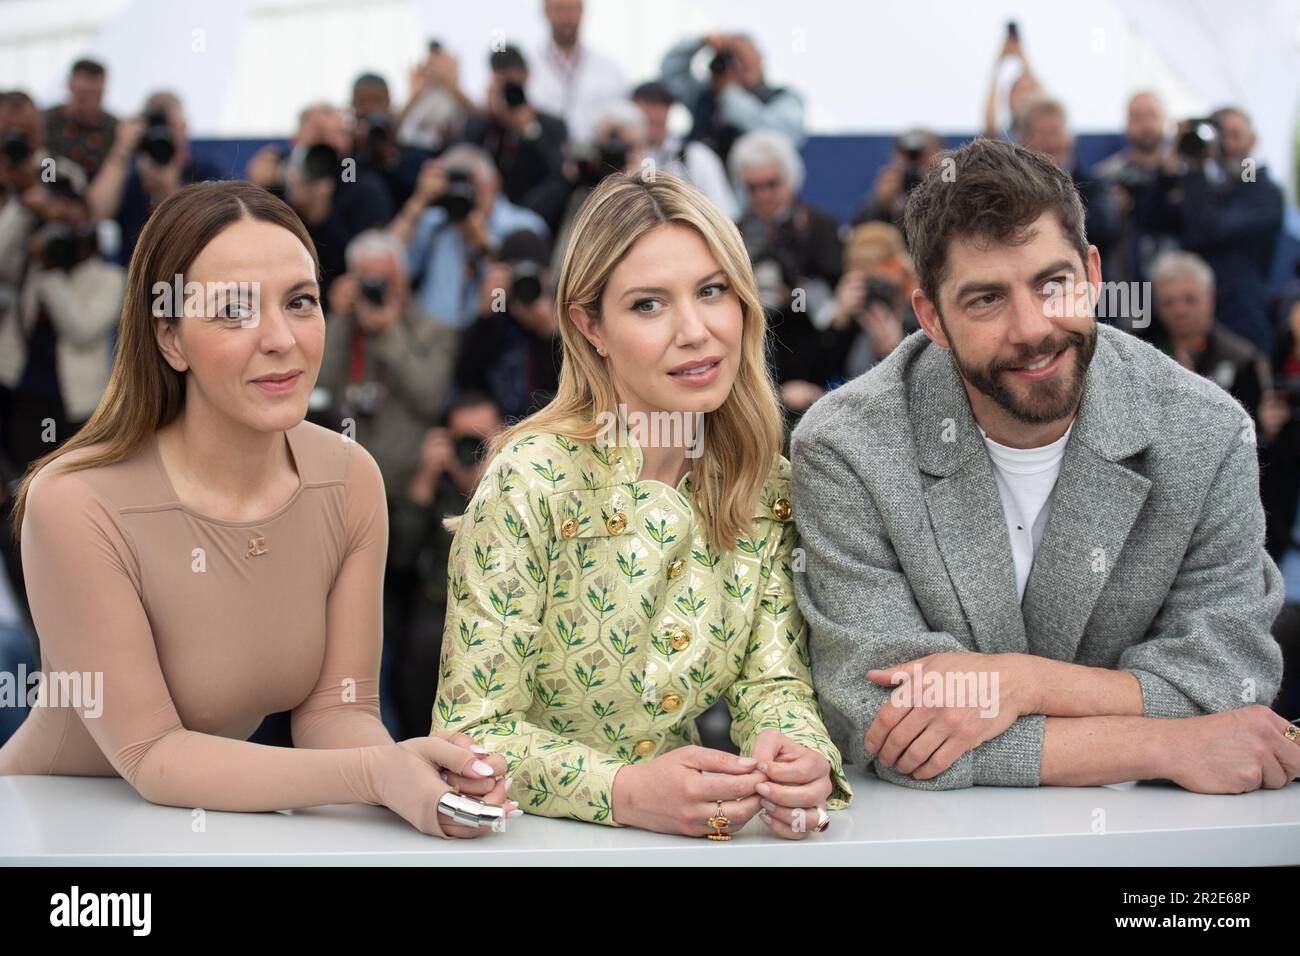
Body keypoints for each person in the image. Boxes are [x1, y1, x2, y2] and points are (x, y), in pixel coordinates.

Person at [0, 181, 518, 837]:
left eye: (301, 302)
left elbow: (336, 713)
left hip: (213, 832)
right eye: (234, 311)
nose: (281, 339)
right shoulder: (74, 500)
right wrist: (374, 775)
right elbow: (153, 757)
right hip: (45, 835)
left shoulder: (349, 476)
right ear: (171, 340)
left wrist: (412, 774)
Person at [792, 138, 1293, 794]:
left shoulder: (1207, 431)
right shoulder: (845, 447)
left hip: (1157, 840)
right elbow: (880, 722)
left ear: (1091, 273)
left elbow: (1230, 677)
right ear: (931, 317)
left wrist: (1020, 684)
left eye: (1052, 284)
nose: (1032, 328)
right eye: (986, 300)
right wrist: (1171, 743)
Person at [433, 171, 851, 837]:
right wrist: (622, 792)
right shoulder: (530, 478)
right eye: (649, 305)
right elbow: (469, 735)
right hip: (527, 843)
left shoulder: (762, 478)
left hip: (687, 844)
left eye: (712, 291)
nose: (695, 330)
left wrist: (798, 752)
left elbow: (772, 681)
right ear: (589, 326)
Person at [1139, 107, 1285, 354]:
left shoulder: (1264, 192)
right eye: (1220, 135)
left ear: (1253, 140)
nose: (1227, 145)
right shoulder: (1205, 190)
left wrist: (1195, 169)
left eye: (1235, 135)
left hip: (1241, 318)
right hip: (1190, 326)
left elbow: (1208, 229)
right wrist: (1167, 170)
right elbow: (1150, 218)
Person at [729, 129, 841, 414]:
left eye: (771, 184)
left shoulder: (819, 225)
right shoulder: (733, 231)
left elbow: (832, 301)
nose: (763, 195)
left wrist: (791, 296)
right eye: (753, 188)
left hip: (817, 362)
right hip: (756, 360)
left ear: (790, 179)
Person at [391, 144, 548, 329]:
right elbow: (388, 259)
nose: (468, 193)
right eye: (459, 186)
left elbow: (532, 293)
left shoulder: (524, 227)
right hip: (430, 337)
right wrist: (418, 201)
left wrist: (486, 244)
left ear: (495, 182)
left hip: (493, 338)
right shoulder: (435, 222)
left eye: (475, 186)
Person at [88, 91, 223, 267]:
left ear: (183, 128)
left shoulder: (206, 172)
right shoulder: (128, 177)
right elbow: (96, 213)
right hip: (136, 274)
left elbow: (210, 229)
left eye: (169, 127)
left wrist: (171, 188)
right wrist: (120, 152)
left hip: (192, 271)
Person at [455, 229, 562, 422]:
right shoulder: (496, 317)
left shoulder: (561, 319)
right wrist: (488, 314)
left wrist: (549, 332)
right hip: (493, 427)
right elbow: (466, 379)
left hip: (547, 425)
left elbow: (569, 384)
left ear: (547, 276)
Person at [461, 45, 571, 233]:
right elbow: (466, 157)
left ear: (526, 77)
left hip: (532, 215)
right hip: (485, 212)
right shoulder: (484, 123)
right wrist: (487, 116)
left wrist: (529, 129)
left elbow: (558, 173)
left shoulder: (551, 125)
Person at [1150, 250, 1269, 420]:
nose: (1179, 311)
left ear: (1210, 299)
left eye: (1190, 299)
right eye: (1168, 302)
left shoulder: (1241, 359)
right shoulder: (1137, 349)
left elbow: (1252, 430)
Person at [660, 33, 805, 164]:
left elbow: (779, 137)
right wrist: (699, 42)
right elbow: (671, 72)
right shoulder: (705, 97)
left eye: (744, 57)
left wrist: (730, 92)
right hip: (701, 185)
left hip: (753, 187)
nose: (739, 65)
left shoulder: (784, 99)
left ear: (760, 58)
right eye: (732, 58)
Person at [632, 80, 737, 220]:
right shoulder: (617, 156)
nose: (655, 115)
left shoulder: (697, 156)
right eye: (648, 106)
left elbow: (724, 214)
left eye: (662, 106)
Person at [527, 0, 628, 145]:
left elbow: (628, 114)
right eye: (559, 9)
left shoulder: (610, 69)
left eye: (571, 9)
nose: (566, 17)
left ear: (582, 12)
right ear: (545, 12)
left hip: (597, 161)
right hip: (541, 159)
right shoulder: (527, 66)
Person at [42, 59, 118, 180]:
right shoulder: (46, 122)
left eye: (97, 94)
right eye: (84, 93)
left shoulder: (116, 129)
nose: (90, 102)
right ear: (70, 86)